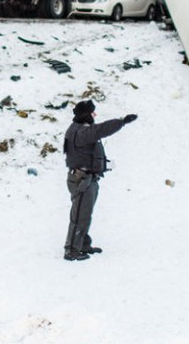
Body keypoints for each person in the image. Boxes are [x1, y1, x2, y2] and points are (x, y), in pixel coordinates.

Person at [62, 99, 137, 261]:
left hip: (86, 178)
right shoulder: (81, 132)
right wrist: (122, 122)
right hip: (82, 180)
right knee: (80, 216)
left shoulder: (79, 129)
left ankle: (82, 244)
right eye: (92, 112)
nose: (94, 115)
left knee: (84, 214)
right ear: (86, 114)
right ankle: (71, 250)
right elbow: (101, 129)